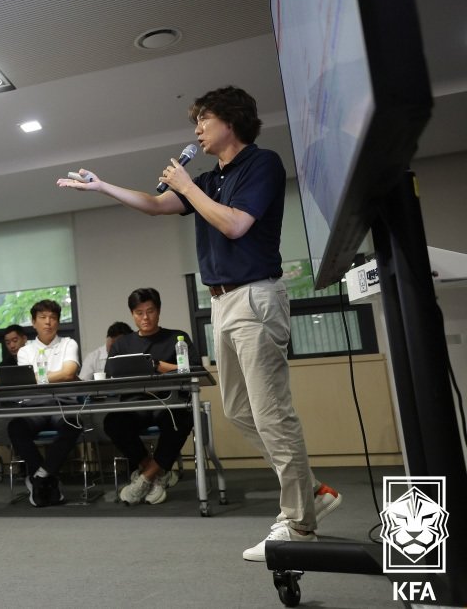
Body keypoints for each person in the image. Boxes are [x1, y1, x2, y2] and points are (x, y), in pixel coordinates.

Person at [58, 85, 341, 560]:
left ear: (230, 120)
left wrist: (187, 186)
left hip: (255, 295)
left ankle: (299, 522)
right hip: (224, 303)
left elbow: (235, 225)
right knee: (238, 409)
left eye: (203, 120)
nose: (196, 130)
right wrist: (103, 186)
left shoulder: (262, 164)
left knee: (272, 413)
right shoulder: (209, 179)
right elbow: (155, 204)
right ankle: (311, 491)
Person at [103, 288, 194, 506]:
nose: (145, 317)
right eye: (139, 312)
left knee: (182, 419)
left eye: (150, 311)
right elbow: (111, 374)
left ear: (159, 311)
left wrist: (158, 366)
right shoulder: (122, 345)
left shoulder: (176, 338)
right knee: (113, 422)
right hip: (135, 404)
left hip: (169, 403)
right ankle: (157, 473)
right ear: (132, 314)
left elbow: (192, 369)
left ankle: (143, 479)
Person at [5, 300, 81, 507]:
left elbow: (69, 373)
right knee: (16, 427)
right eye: (43, 317)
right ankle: (48, 479)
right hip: (34, 407)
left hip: (62, 405)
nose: (48, 322)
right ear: (33, 322)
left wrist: (42, 378)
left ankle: (39, 477)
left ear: (58, 322)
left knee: (73, 424)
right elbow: (29, 382)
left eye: (53, 318)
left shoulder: (68, 343)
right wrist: (54, 376)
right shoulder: (25, 351)